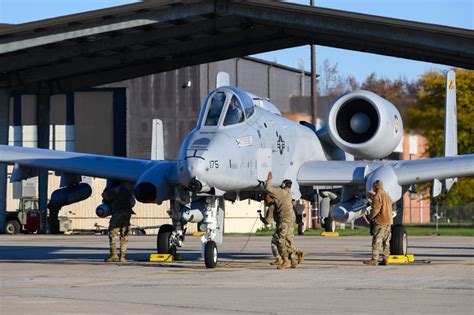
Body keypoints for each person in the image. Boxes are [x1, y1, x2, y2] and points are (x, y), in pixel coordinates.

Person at [265, 171, 303, 269]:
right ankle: (293, 259)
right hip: (290, 218)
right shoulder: (289, 193)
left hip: (285, 219)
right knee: (287, 240)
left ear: (283, 185)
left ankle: (286, 260)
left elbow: (268, 188)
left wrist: (269, 179)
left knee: (280, 240)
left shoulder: (281, 192)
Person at [102, 182, 136, 263]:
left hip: (118, 213)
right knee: (124, 235)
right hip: (127, 213)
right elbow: (132, 202)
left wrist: (105, 192)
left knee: (112, 233)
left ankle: (113, 255)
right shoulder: (130, 190)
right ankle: (122, 257)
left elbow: (106, 196)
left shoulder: (117, 189)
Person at [364, 180, 393, 266]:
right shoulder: (387, 195)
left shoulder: (378, 196)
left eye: (373, 186)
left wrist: (369, 217)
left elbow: (376, 210)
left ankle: (374, 259)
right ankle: (385, 259)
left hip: (380, 221)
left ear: (376, 187)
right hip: (389, 221)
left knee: (377, 240)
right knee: (386, 241)